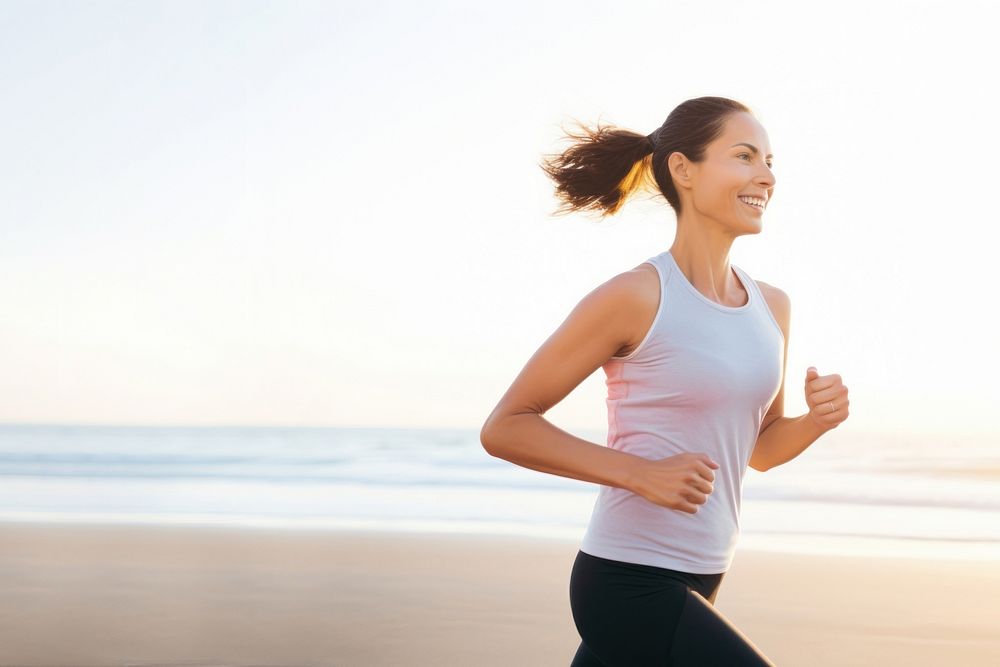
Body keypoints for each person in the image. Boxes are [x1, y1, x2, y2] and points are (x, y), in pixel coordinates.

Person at [479, 96, 850, 666]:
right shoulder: (636, 295)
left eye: (771, 161)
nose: (766, 176)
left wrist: (816, 422)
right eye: (745, 156)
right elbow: (506, 427)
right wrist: (638, 473)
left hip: (706, 573)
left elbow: (760, 450)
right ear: (683, 170)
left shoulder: (773, 306)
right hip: (626, 579)